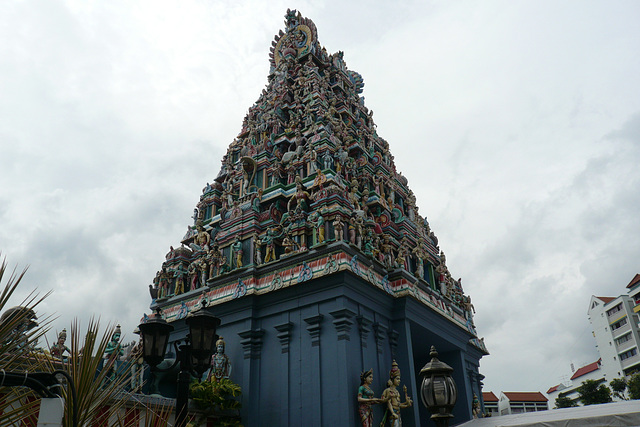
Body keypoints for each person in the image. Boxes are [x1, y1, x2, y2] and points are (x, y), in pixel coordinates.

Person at [380, 360, 412, 426]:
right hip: (393, 414)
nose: (399, 381)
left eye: (399, 379)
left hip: (398, 414)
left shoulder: (397, 392)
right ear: (392, 379)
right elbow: (389, 402)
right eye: (397, 379)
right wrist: (392, 412)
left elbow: (399, 404)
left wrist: (407, 404)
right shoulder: (389, 390)